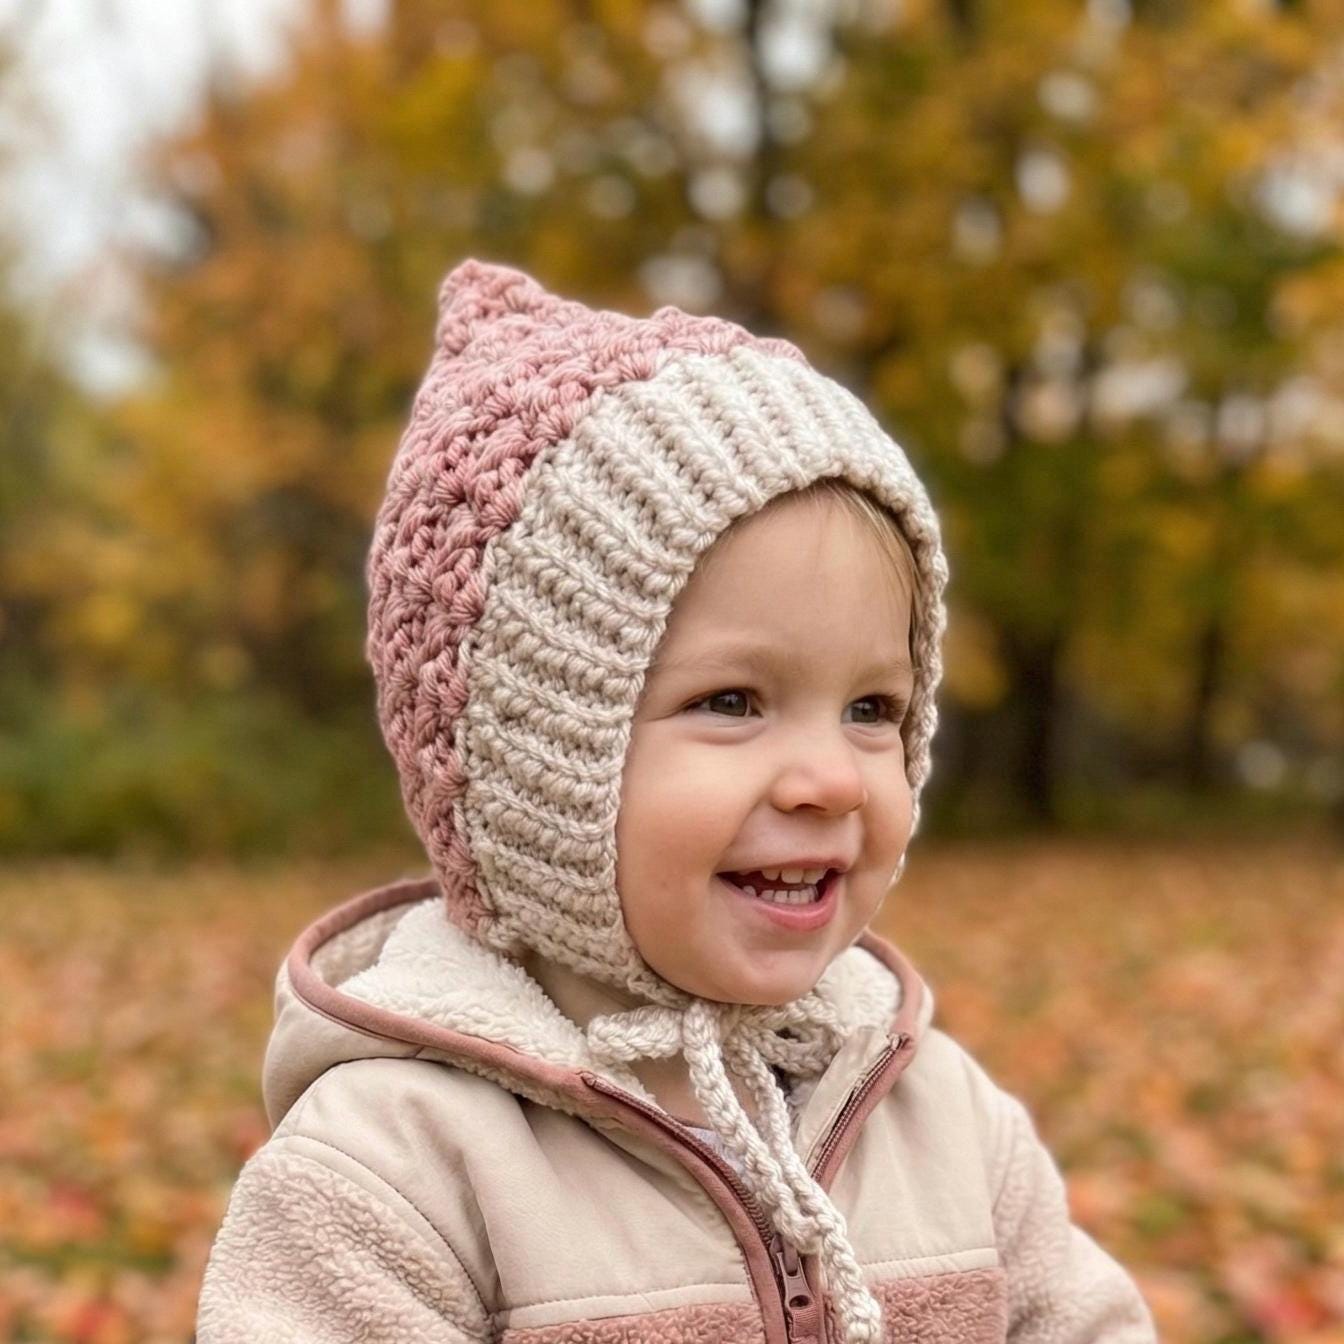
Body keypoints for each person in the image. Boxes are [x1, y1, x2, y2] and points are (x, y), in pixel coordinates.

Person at [196, 259, 1157, 1343]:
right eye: (736, 701)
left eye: (873, 707)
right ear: (539, 763)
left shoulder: (942, 1119)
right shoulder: (394, 1173)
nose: (831, 778)